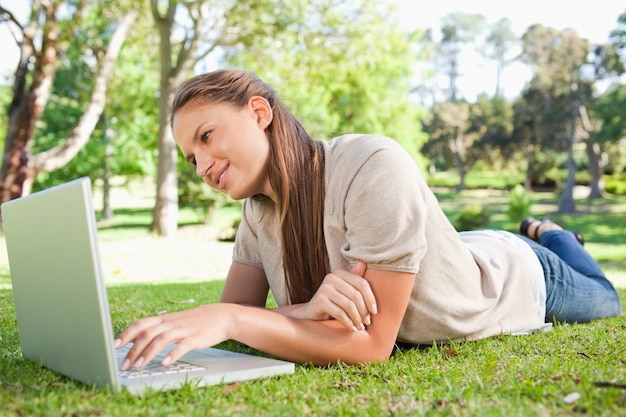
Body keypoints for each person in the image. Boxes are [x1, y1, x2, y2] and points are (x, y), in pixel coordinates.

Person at [115, 69, 622, 370]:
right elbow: (234, 325)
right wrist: (306, 309)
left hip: (517, 275)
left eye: (206, 137)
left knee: (606, 300)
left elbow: (372, 344)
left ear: (259, 113)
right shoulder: (256, 212)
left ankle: (550, 233)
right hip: (447, 252)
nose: (201, 167)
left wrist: (231, 318)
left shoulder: (372, 165)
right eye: (190, 158)